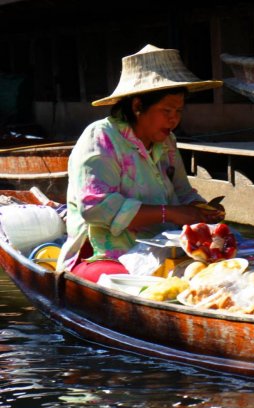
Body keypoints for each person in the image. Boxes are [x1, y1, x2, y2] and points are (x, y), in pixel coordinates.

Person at [56, 44, 225, 282]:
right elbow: (95, 208)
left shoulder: (166, 141)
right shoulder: (101, 137)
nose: (174, 118)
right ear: (137, 106)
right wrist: (171, 213)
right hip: (104, 255)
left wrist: (200, 209)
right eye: (166, 109)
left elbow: (182, 191)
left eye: (179, 110)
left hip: (165, 250)